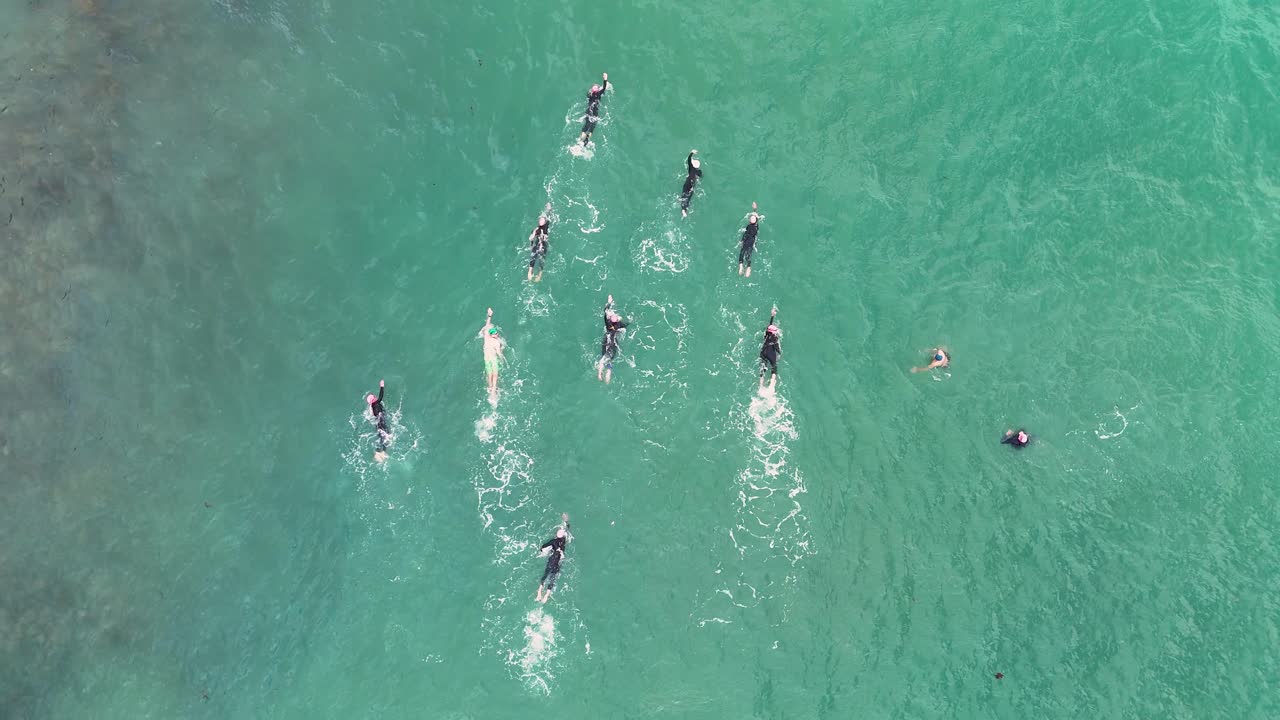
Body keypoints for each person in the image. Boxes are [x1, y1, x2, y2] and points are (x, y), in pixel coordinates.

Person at [535, 513, 571, 603]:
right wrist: (566, 520)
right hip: (558, 561)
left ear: (556, 535)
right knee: (552, 579)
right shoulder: (563, 541)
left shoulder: (553, 541)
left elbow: (543, 547)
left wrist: (543, 551)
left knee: (545, 575)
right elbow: (567, 528)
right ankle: (546, 596)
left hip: (552, 560)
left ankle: (539, 592)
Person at [597, 294, 629, 384]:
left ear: (610, 320)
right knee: (609, 361)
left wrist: (609, 302)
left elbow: (605, 310)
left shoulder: (608, 324)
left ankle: (599, 374)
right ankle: (607, 378)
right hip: (614, 344)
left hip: (607, 342)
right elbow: (626, 324)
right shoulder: (619, 325)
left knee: (602, 360)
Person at [578, 72, 609, 146]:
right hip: (595, 113)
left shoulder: (590, 95)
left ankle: (580, 140)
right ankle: (587, 139)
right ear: (597, 90)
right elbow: (604, 88)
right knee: (592, 127)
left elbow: (589, 94)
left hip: (589, 111)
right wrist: (605, 79)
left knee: (586, 126)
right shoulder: (598, 94)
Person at [481, 308, 505, 395]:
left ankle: (490, 388)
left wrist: (490, 315)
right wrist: (502, 359)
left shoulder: (486, 338)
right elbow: (498, 353)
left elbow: (487, 326)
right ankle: (493, 392)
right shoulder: (496, 342)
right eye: (495, 333)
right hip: (493, 360)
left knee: (489, 375)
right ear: (492, 334)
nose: (497, 334)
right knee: (495, 376)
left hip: (487, 359)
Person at [365, 379, 389, 463]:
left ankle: (379, 452)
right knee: (386, 436)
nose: (375, 397)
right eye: (374, 397)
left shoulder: (372, 407)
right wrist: (382, 386)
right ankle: (381, 452)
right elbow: (381, 396)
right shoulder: (376, 403)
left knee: (381, 437)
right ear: (373, 400)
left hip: (378, 424)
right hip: (381, 422)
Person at [528, 204, 552, 282]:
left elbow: (546, 238)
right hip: (538, 243)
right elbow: (531, 238)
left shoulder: (546, 226)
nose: (541, 221)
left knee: (542, 258)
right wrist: (533, 236)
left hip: (543, 245)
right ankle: (530, 271)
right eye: (540, 220)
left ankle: (539, 275)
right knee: (533, 256)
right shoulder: (536, 229)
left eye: (542, 220)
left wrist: (544, 238)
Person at [759, 307, 782, 389]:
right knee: (774, 367)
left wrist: (772, 316)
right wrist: (779, 353)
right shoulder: (775, 338)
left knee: (763, 367)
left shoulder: (766, 333)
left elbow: (770, 325)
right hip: (770, 353)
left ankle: (761, 385)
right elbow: (777, 350)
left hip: (763, 352)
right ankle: (772, 384)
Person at [738, 202, 760, 277]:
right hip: (750, 241)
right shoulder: (756, 226)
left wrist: (754, 208)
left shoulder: (749, 226)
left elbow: (745, 234)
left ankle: (741, 265)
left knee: (742, 252)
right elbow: (755, 215)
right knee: (748, 255)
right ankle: (748, 267)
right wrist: (755, 209)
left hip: (746, 239)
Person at [679, 150, 702, 218]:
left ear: (693, 165)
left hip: (687, 183)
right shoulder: (699, 172)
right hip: (692, 185)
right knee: (688, 196)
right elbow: (701, 176)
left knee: (684, 194)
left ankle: (683, 209)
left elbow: (689, 160)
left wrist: (691, 153)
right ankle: (685, 209)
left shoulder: (691, 168)